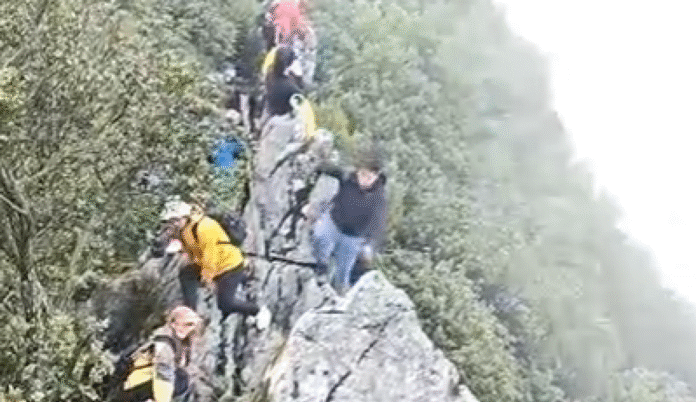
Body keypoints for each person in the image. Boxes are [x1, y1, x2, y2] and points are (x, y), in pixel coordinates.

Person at [161, 200, 271, 328]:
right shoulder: (185, 231)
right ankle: (190, 312)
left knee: (226, 304)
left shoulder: (205, 227)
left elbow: (210, 256)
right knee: (186, 273)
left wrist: (207, 280)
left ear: (184, 217)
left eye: (175, 220)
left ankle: (257, 311)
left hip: (229, 266)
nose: (173, 224)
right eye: (171, 221)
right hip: (214, 266)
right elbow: (195, 253)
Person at [306, 148, 388, 293]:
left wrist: (369, 244)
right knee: (320, 236)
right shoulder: (348, 177)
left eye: (370, 177)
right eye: (363, 174)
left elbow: (378, 223)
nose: (365, 179)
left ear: (376, 177)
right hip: (334, 222)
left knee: (343, 271)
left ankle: (340, 290)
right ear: (358, 171)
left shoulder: (379, 197)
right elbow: (331, 169)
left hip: (354, 236)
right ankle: (321, 268)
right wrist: (318, 165)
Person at [120, 305, 201, 402]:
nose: (187, 328)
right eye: (186, 324)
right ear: (173, 324)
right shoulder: (164, 345)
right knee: (181, 378)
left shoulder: (175, 342)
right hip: (136, 388)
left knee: (183, 379)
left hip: (142, 386)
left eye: (190, 325)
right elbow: (163, 375)